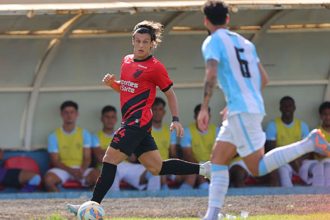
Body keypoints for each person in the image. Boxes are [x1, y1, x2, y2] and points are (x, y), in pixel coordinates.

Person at [197, 1, 330, 219]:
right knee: (218, 159)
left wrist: (204, 107)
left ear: (206, 20)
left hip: (242, 112)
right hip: (247, 108)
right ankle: (212, 215)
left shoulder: (212, 41)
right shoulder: (245, 44)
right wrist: (235, 104)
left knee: (257, 167)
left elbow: (211, 72)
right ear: (228, 19)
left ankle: (309, 143)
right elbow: (264, 79)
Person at [67, 20, 210, 215]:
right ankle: (204, 169)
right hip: (133, 123)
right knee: (156, 168)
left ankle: (91, 205)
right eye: (138, 41)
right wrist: (113, 84)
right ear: (132, 41)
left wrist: (176, 119)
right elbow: (127, 88)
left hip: (138, 122)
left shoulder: (156, 67)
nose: (141, 45)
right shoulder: (126, 60)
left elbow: (170, 93)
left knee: (109, 159)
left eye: (145, 42)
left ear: (152, 44)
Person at [92, 105, 159, 191]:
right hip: (108, 166)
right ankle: (114, 199)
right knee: (112, 167)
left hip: (127, 166)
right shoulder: (95, 136)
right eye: (107, 117)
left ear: (116, 119)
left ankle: (153, 199)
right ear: (102, 119)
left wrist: (110, 151)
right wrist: (122, 150)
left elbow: (133, 158)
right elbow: (99, 158)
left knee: (155, 170)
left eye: (112, 117)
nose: (110, 120)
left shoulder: (124, 134)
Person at [44, 101, 100, 192]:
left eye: (72, 112)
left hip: (81, 168)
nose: (69, 115)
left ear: (77, 114)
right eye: (66, 112)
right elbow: (55, 161)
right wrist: (71, 171)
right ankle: (59, 203)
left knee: (99, 177)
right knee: (48, 180)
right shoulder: (53, 136)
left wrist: (81, 170)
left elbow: (87, 158)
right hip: (64, 169)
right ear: (61, 114)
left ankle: (90, 203)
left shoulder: (84, 133)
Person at [265, 96, 309, 187]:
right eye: (284, 106)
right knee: (283, 170)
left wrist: (297, 160)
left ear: (294, 108)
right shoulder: (272, 125)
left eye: (289, 106)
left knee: (319, 168)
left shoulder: (303, 125)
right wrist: (289, 159)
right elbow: (271, 150)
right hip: (281, 161)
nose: (287, 108)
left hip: (299, 161)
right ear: (280, 108)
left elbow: (308, 149)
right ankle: (288, 197)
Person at [180, 104, 217, 189]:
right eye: (200, 116)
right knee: (195, 175)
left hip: (212, 165)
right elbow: (188, 155)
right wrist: (202, 168)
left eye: (206, 116)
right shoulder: (187, 131)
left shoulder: (217, 131)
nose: (203, 118)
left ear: (210, 116)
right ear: (195, 117)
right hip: (195, 165)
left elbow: (220, 153)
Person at [300, 102, 330, 186]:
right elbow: (317, 153)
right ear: (320, 116)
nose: (328, 117)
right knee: (326, 168)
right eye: (325, 114)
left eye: (329, 114)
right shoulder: (316, 132)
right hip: (319, 164)